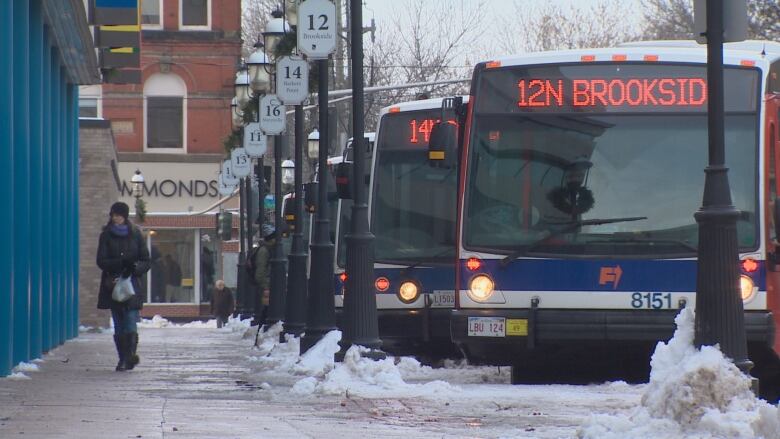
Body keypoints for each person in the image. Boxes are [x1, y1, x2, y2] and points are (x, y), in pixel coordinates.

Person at [96, 202, 150, 372]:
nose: (116, 218)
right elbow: (101, 261)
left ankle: (130, 356)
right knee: (119, 324)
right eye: (114, 215)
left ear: (125, 216)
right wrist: (119, 263)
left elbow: (146, 260)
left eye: (119, 215)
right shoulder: (106, 235)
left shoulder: (135, 235)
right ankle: (123, 358)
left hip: (131, 284)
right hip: (112, 285)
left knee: (130, 321)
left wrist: (134, 268)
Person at [253, 224, 276, 324]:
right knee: (265, 310)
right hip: (265, 287)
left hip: (266, 286)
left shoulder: (267, 250)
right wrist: (266, 287)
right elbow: (260, 273)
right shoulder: (264, 251)